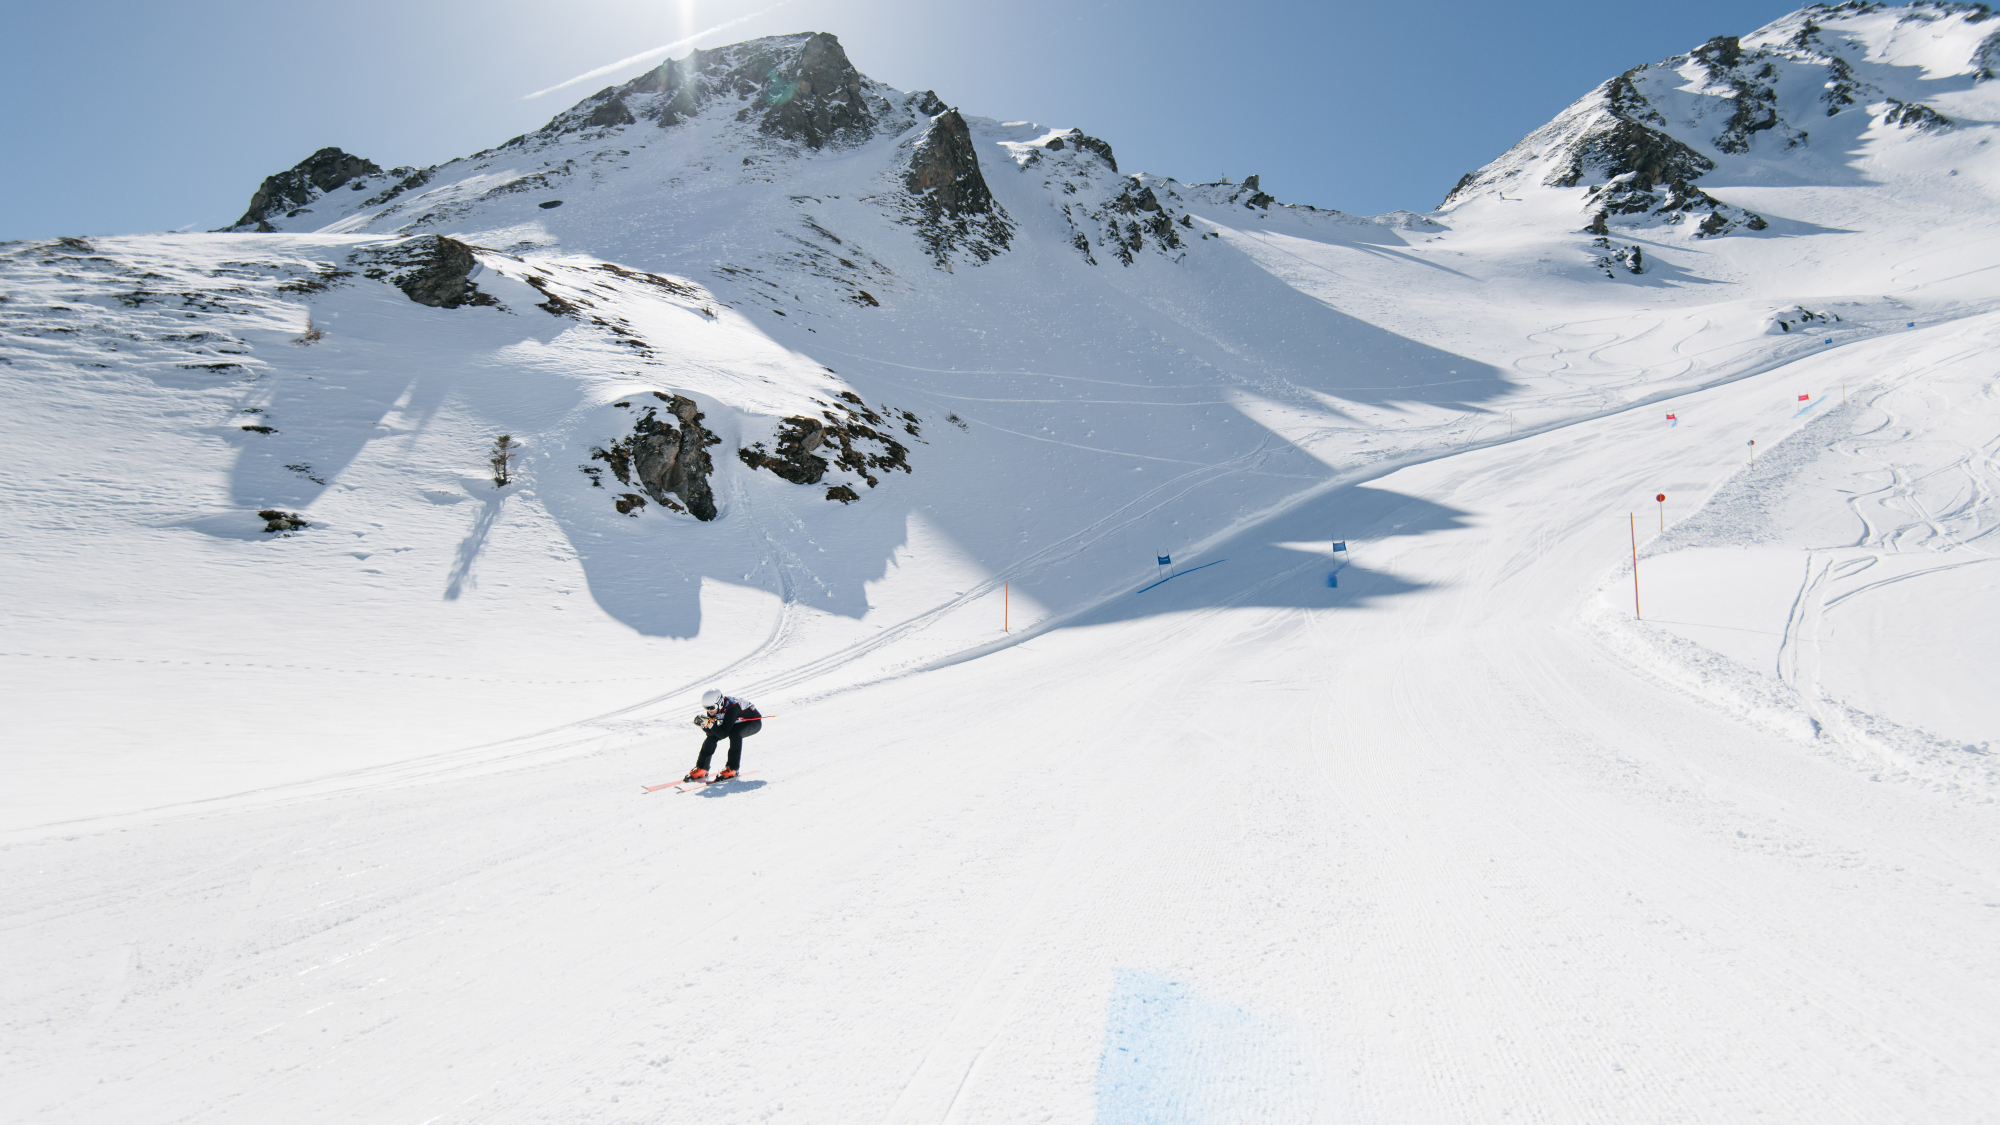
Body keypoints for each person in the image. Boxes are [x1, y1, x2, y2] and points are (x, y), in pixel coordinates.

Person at [685, 689, 762, 781]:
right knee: (711, 737)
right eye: (706, 708)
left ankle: (732, 768)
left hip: (753, 722)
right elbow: (712, 733)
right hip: (735, 722)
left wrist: (710, 724)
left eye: (711, 708)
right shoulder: (713, 708)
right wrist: (704, 725)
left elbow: (723, 734)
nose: (709, 711)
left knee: (735, 733)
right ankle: (702, 768)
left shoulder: (733, 707)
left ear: (719, 703)